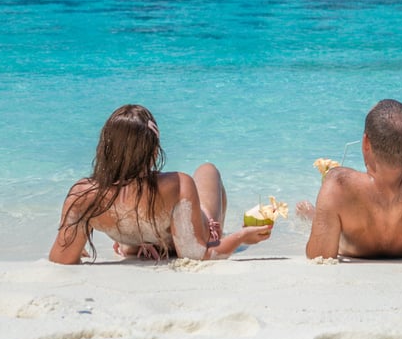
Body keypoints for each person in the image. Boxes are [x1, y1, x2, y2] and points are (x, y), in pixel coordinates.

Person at [49, 104, 273, 264]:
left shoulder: (84, 195)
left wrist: (75, 249)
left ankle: (137, 245)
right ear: (155, 151)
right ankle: (158, 241)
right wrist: (241, 237)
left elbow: (61, 258)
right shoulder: (176, 184)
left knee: (138, 229)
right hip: (187, 237)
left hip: (138, 238)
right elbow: (196, 254)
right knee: (208, 170)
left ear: (104, 150)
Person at [298, 99, 402, 260]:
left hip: (352, 249)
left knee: (322, 217)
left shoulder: (338, 185)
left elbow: (318, 255)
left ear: (365, 142)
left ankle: (313, 215)